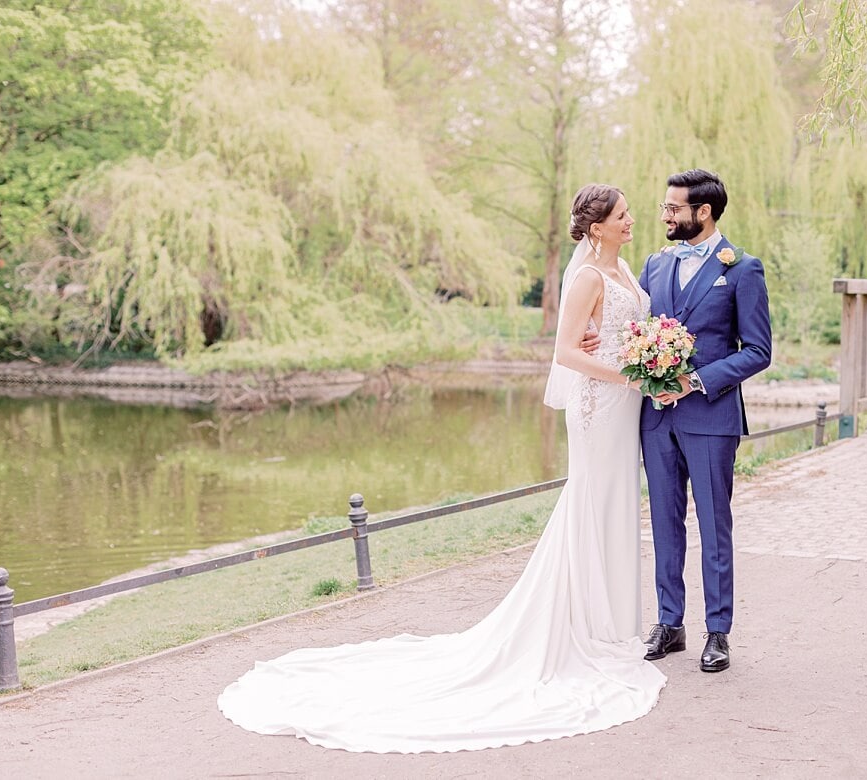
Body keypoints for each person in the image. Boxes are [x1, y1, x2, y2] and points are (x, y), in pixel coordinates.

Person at [217, 183, 665, 753]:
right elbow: (565, 353)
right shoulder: (586, 278)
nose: (631, 220)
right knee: (593, 501)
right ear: (596, 226)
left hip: (624, 405)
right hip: (600, 406)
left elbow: (615, 334)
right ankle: (586, 627)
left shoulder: (624, 270)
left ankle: (613, 625)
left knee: (617, 504)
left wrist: (646, 358)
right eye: (622, 215)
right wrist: (632, 375)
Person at [637, 168, 772, 673]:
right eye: (665, 207)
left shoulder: (742, 269)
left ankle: (718, 632)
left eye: (674, 208)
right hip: (656, 419)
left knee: (714, 526)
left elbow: (757, 351)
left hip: (712, 418)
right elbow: (636, 327)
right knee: (663, 523)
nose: (666, 216)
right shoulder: (655, 264)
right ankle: (669, 622)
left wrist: (694, 381)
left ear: (704, 212)